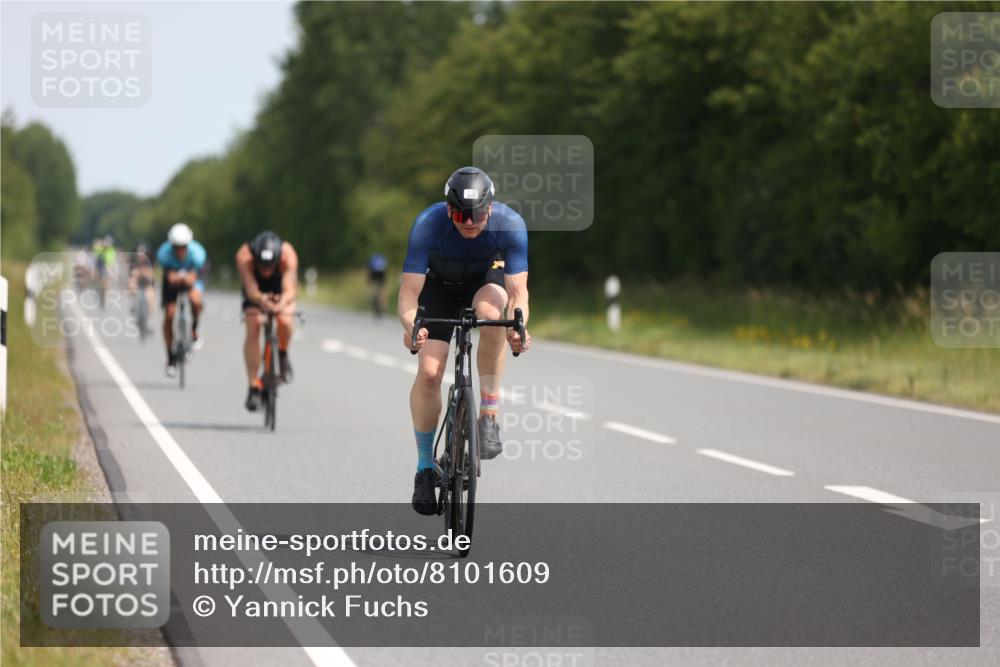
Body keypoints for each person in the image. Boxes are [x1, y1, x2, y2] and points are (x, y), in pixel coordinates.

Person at [398, 166, 531, 515]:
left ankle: (487, 415)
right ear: (447, 210)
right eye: (459, 214)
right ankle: (425, 467)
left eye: (476, 215)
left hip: (483, 282)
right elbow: (408, 294)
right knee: (429, 373)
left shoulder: (511, 224)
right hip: (437, 288)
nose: (468, 223)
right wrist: (413, 325)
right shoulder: (427, 224)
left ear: (490, 207)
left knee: (493, 312)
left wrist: (518, 328)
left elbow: (519, 295)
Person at [235, 231, 299, 411]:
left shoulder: (288, 254)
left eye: (270, 266)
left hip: (280, 289)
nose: (266, 271)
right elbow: (250, 288)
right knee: (253, 324)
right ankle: (253, 385)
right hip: (256, 291)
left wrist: (281, 304)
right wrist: (261, 299)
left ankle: (283, 354)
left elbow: (290, 289)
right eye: (262, 266)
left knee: (285, 320)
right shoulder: (244, 255)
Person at [156, 223, 207, 377]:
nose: (180, 250)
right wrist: (176, 278)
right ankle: (170, 357)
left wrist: (189, 279)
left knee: (196, 301)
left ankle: (194, 329)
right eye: (176, 246)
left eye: (183, 246)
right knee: (169, 315)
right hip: (172, 278)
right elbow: (169, 277)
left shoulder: (197, 253)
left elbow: (195, 275)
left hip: (192, 274)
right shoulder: (164, 253)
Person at [127, 241, 156, 335]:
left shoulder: (150, 260)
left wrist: (143, 272)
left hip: (148, 283)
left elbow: (151, 275)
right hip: (137, 282)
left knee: (150, 297)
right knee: (131, 284)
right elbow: (131, 275)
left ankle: (150, 320)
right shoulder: (133, 260)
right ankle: (133, 303)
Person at [368, 252, 388, 318]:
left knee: (375, 293)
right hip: (381, 277)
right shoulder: (382, 261)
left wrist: (369, 282)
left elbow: (370, 273)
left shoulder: (373, 260)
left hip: (376, 277)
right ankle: (382, 309)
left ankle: (377, 310)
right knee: (381, 294)